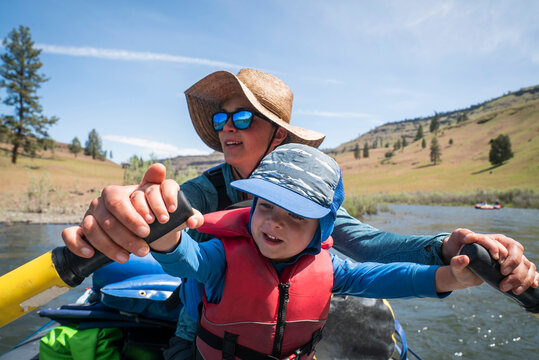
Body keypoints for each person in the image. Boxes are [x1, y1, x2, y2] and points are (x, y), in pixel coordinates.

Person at [61, 68, 538, 355]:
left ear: (280, 136)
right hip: (201, 322)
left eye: (243, 118)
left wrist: (441, 248)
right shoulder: (203, 191)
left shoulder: (312, 195)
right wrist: (122, 208)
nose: (228, 127)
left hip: (288, 323)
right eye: (223, 118)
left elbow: (367, 245)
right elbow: (157, 208)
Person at [148, 143, 482, 359]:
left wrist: (449, 277)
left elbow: (387, 278)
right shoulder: (221, 257)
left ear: (320, 229)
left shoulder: (329, 267)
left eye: (295, 214)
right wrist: (164, 234)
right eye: (266, 206)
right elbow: (185, 259)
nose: (275, 223)